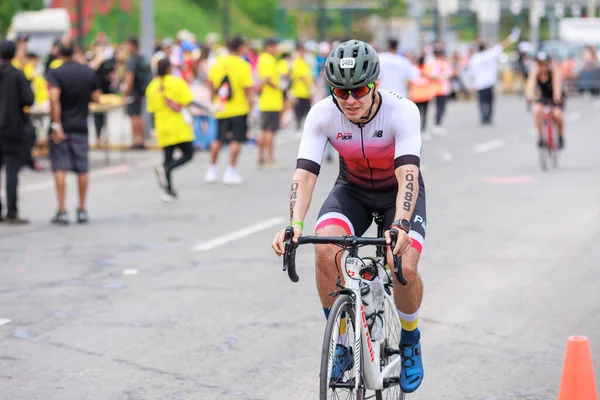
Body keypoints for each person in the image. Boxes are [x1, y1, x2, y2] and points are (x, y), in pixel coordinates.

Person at [271, 40, 427, 394]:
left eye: (359, 89)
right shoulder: (323, 113)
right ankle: (343, 341)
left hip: (397, 195)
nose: (351, 99)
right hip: (352, 191)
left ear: (375, 84)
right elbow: (305, 174)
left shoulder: (402, 112)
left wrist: (400, 224)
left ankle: (410, 338)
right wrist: (294, 225)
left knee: (402, 261)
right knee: (325, 247)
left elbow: (408, 176)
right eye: (341, 91)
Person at [48, 38, 102, 225]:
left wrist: (56, 125)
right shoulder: (87, 72)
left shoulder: (56, 73)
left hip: (62, 126)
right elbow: (96, 97)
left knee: (60, 167)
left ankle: (62, 209)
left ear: (59, 53)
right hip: (81, 124)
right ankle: (81, 208)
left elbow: (54, 98)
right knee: (82, 168)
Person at [206, 36, 254, 185]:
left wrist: (213, 100)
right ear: (239, 48)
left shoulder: (218, 62)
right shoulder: (243, 64)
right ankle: (230, 171)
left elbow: (211, 83)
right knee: (236, 140)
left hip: (221, 108)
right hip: (239, 108)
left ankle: (211, 170)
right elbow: (248, 88)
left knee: (217, 139)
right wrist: (250, 105)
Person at [147, 58, 195, 201]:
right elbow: (187, 100)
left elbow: (151, 108)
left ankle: (169, 191)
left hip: (162, 125)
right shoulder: (177, 82)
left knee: (167, 156)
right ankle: (167, 169)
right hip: (178, 125)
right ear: (169, 68)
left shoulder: (152, 86)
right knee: (188, 154)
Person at [0, 39, 34, 224]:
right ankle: (12, 212)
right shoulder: (17, 75)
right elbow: (29, 99)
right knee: (11, 171)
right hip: (12, 128)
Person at [468, 28, 521, 125]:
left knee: (483, 102)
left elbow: (471, 73)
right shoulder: (490, 53)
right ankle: (487, 118)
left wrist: (472, 83)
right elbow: (503, 45)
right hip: (488, 83)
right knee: (489, 102)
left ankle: (484, 118)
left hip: (481, 84)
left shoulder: (475, 58)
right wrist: (513, 37)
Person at [525, 52, 565, 149]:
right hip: (543, 96)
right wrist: (529, 97)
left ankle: (560, 136)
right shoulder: (534, 72)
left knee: (557, 115)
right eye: (540, 64)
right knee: (536, 111)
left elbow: (557, 87)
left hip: (555, 97)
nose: (542, 67)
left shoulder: (554, 72)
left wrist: (557, 96)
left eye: (544, 64)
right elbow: (530, 86)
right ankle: (540, 137)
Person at [256, 38, 284, 168]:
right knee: (270, 131)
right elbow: (266, 79)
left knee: (263, 130)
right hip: (271, 101)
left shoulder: (262, 59)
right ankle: (270, 158)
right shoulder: (268, 60)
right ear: (269, 47)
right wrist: (278, 87)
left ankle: (261, 156)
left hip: (265, 101)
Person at [123, 37, 148, 149]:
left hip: (134, 92)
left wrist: (126, 92)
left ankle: (136, 140)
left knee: (134, 116)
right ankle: (141, 139)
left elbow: (129, 77)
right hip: (140, 91)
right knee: (138, 115)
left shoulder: (132, 60)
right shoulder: (141, 58)